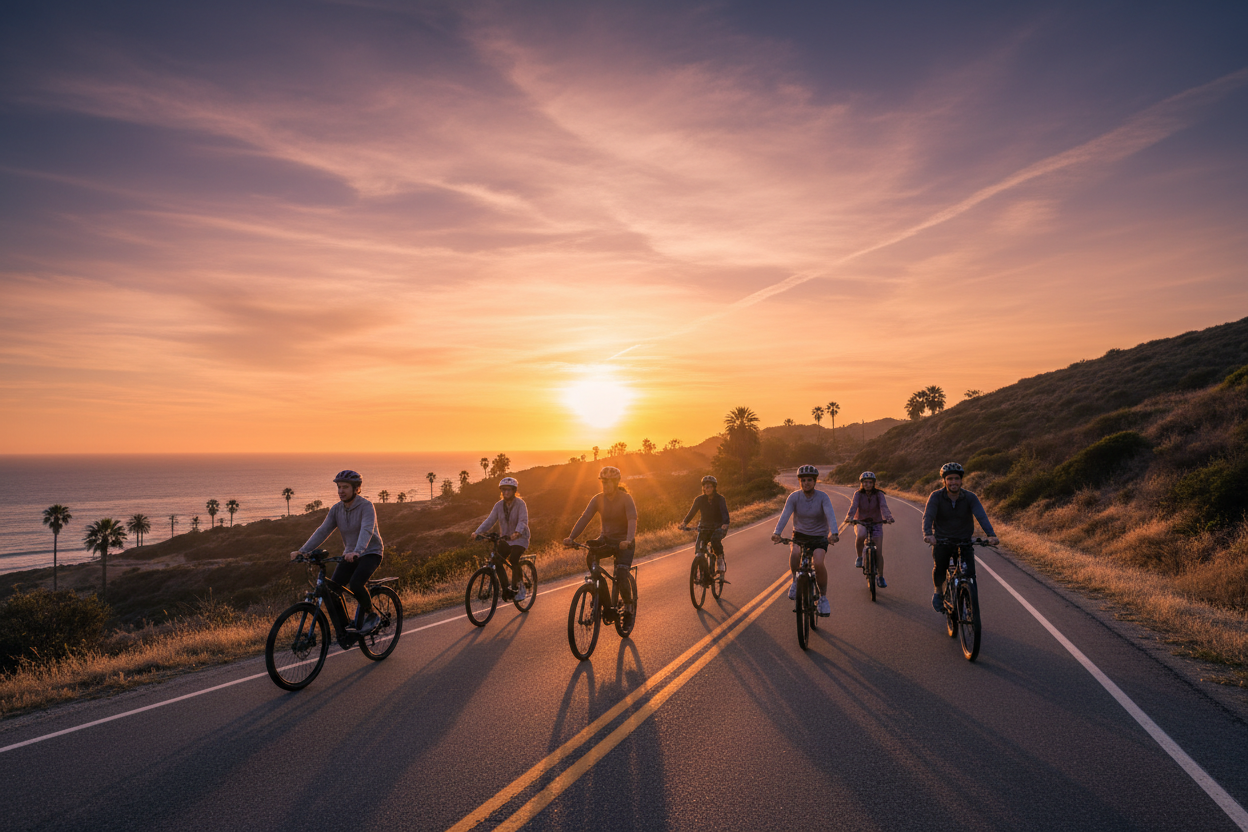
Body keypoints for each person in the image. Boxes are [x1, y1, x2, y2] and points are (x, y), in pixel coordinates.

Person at [290, 470, 384, 636]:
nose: (341, 491)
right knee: (332, 590)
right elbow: (323, 531)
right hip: (350, 554)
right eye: (339, 487)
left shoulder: (366, 506)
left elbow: (367, 530)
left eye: (345, 487)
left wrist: (358, 551)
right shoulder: (336, 509)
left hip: (370, 552)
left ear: (356, 488)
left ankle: (371, 614)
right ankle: (346, 627)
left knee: (356, 584)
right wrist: (303, 551)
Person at [563, 466, 638, 626]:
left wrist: (629, 540)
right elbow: (585, 517)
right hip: (606, 539)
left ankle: (629, 608)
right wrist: (571, 537)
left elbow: (632, 519)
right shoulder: (598, 499)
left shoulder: (626, 498)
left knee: (622, 573)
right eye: (603, 482)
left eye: (609, 482)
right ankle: (606, 604)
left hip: (624, 542)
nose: (605, 485)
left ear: (616, 482)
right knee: (591, 558)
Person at [922, 462, 999, 612]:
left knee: (970, 574)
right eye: (950, 479)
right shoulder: (936, 496)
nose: (953, 482)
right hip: (942, 540)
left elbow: (981, 516)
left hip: (964, 540)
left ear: (961, 480)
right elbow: (928, 516)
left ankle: (971, 605)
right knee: (940, 568)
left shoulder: (970, 497)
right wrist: (928, 534)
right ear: (944, 481)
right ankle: (938, 592)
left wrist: (991, 535)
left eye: (956, 478)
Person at [771, 465, 840, 615]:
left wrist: (834, 533)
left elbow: (830, 515)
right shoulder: (794, 497)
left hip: (819, 536)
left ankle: (823, 598)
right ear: (799, 481)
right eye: (803, 480)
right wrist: (777, 532)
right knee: (795, 552)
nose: (806, 483)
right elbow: (785, 515)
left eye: (809, 480)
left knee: (819, 562)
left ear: (815, 481)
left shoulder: (823, 497)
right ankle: (795, 582)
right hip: (800, 534)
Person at [470, 476, 530, 601]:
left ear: (514, 490)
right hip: (506, 539)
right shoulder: (498, 505)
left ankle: (520, 587)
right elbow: (490, 520)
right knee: (497, 560)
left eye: (508, 490)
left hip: (520, 538)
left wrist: (517, 533)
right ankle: (506, 588)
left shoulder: (520, 504)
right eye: (503, 490)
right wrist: (477, 532)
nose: (506, 492)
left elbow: (523, 521)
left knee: (514, 559)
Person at [840, 471, 895, 588]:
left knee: (879, 551)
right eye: (865, 482)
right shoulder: (858, 494)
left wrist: (888, 517)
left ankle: (880, 576)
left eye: (870, 482)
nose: (867, 485)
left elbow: (883, 506)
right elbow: (853, 506)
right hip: (861, 521)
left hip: (876, 523)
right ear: (862, 483)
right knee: (861, 535)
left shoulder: (879, 494)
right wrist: (849, 517)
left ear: (874, 483)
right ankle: (860, 557)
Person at [678, 475, 730, 574]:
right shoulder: (699, 500)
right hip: (704, 527)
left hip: (718, 527)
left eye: (709, 486)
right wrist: (684, 523)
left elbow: (724, 513)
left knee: (715, 540)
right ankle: (703, 571)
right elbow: (692, 512)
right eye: (705, 487)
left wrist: (725, 524)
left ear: (714, 487)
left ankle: (720, 560)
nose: (706, 489)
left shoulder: (720, 499)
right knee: (699, 548)